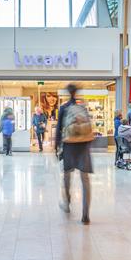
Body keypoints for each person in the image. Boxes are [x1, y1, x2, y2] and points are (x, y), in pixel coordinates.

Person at [55, 83, 94, 225]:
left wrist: (56, 147)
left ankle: (67, 202)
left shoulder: (64, 108)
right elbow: (88, 128)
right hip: (83, 147)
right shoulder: (82, 108)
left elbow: (59, 129)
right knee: (85, 180)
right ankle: (86, 215)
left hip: (69, 146)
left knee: (67, 175)